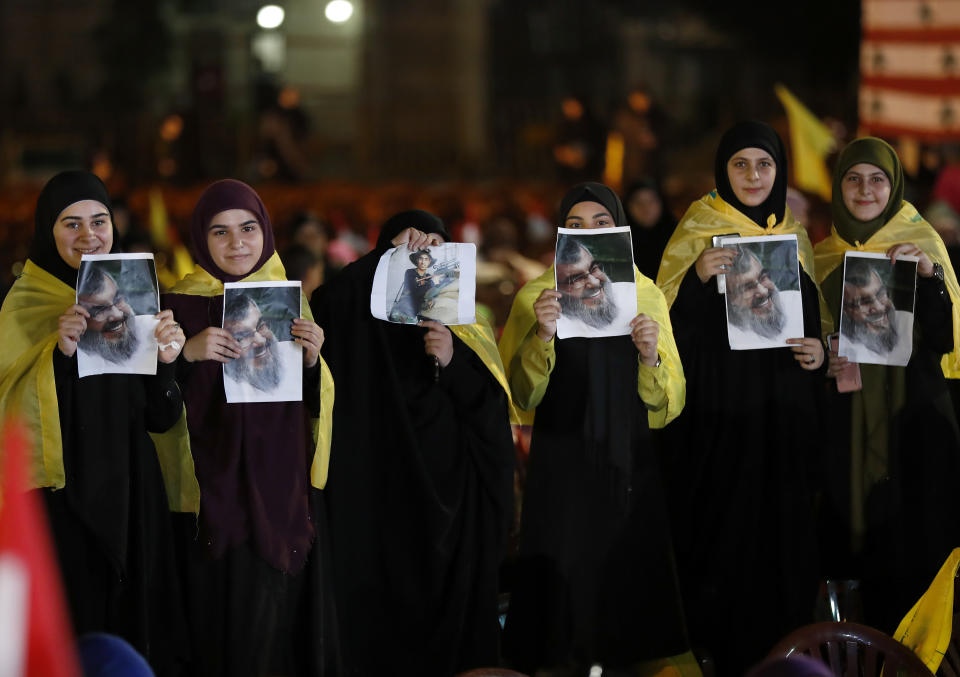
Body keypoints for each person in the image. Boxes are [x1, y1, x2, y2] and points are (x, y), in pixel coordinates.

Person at [0, 170, 194, 676]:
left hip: (135, 495)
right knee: (75, 631)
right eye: (71, 223)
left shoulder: (142, 297)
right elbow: (11, 415)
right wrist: (58, 353)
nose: (89, 235)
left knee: (136, 634)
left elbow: (161, 416)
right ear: (47, 230)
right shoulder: (23, 305)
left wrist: (168, 360)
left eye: (99, 220)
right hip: (63, 503)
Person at [500, 182, 695, 676]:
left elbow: (670, 404)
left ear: (619, 229)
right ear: (562, 232)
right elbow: (519, 397)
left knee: (626, 599)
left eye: (602, 224)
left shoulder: (644, 292)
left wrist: (650, 356)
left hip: (627, 463)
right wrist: (541, 335)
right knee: (564, 612)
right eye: (577, 225)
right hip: (561, 465)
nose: (589, 233)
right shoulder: (534, 296)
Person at [310, 209, 515, 677]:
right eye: (410, 251)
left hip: (451, 500)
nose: (424, 257)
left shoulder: (466, 324)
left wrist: (453, 361)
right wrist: (391, 254)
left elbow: (489, 414)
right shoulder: (356, 317)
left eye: (435, 248)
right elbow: (330, 300)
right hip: (378, 493)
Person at [655, 121, 824, 675]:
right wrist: (700, 279)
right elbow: (664, 329)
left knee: (784, 542)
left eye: (765, 165)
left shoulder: (794, 233)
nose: (753, 176)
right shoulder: (697, 230)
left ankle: (792, 658)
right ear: (722, 171)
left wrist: (816, 353)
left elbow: (812, 325)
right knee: (727, 541)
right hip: (721, 422)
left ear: (780, 171)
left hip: (783, 420)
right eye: (740, 164)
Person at [160, 179, 338, 677]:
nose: (237, 243)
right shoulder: (178, 305)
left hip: (279, 488)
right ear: (200, 238)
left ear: (266, 232)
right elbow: (151, 406)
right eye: (220, 231)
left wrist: (311, 359)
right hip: (206, 493)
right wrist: (186, 356)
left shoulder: (287, 300)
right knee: (216, 630)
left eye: (248, 228)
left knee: (275, 629)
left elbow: (310, 405)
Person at [814, 137, 960, 633]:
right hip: (849, 427)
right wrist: (822, 362)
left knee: (913, 559)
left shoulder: (920, 247)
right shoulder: (821, 257)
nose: (865, 189)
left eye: (878, 178)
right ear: (838, 186)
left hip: (913, 428)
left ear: (894, 185)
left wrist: (928, 275)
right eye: (853, 177)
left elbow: (944, 339)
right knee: (862, 567)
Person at [839, 258, 912, 365]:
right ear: (845, 311)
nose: (879, 307)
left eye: (880, 293)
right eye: (864, 302)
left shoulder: (907, 322)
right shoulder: (843, 348)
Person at [555, 236, 636, 332]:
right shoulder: (554, 324)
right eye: (576, 279)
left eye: (593, 268)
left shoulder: (632, 294)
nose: (594, 282)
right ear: (556, 288)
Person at [724, 245, 793, 343]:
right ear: (729, 299)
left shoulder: (796, 302)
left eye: (763, 277)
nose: (763, 291)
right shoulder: (731, 339)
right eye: (747, 287)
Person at [623, 179, 677, 281]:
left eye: (651, 201)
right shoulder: (620, 243)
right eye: (638, 202)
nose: (645, 208)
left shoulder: (678, 238)